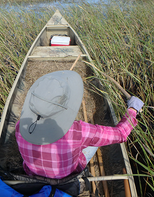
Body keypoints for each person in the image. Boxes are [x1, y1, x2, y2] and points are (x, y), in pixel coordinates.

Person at [15, 70, 144, 179]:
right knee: (94, 144)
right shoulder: (78, 131)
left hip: (33, 174)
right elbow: (120, 134)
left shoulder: (21, 126)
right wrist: (132, 110)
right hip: (68, 176)